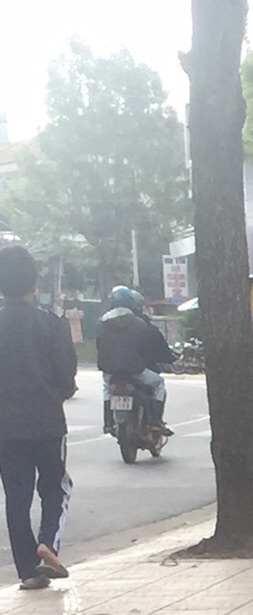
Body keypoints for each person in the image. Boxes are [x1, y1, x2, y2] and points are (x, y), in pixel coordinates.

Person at [0, 244, 77, 592]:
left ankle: (28, 572)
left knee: (16, 498)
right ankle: (48, 542)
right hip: (47, 422)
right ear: (33, 284)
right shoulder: (52, 324)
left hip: (5, 427)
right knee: (56, 487)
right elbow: (66, 378)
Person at [96, 285, 172, 434]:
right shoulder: (138, 323)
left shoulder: (101, 323)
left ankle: (108, 422)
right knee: (159, 383)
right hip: (135, 369)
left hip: (109, 370)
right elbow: (146, 349)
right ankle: (156, 421)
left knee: (107, 389)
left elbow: (99, 345)